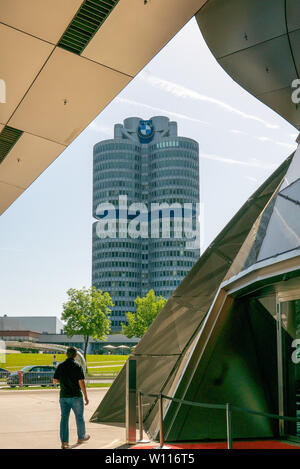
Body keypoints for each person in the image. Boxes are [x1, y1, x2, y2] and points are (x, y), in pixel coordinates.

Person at [53, 346, 90, 449]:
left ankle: (64, 443)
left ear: (66, 354)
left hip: (64, 396)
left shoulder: (61, 366)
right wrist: (86, 396)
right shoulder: (77, 366)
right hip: (76, 396)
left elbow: (55, 380)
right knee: (79, 417)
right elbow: (81, 382)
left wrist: (64, 381)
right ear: (75, 355)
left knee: (64, 418)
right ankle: (81, 437)